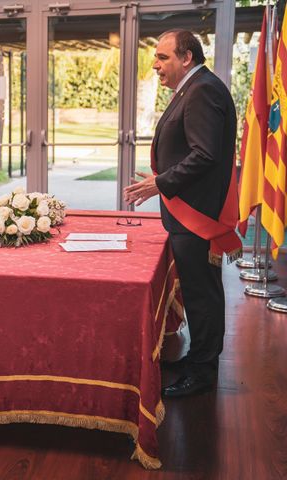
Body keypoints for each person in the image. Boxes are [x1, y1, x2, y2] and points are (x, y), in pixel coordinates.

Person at [123, 30, 240, 397]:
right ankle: (197, 359)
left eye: (162, 57)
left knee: (202, 295)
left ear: (186, 57)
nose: (155, 65)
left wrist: (161, 182)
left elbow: (204, 154)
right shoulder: (194, 87)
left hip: (197, 215)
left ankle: (203, 374)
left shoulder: (202, 90)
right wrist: (163, 177)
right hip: (188, 212)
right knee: (197, 292)